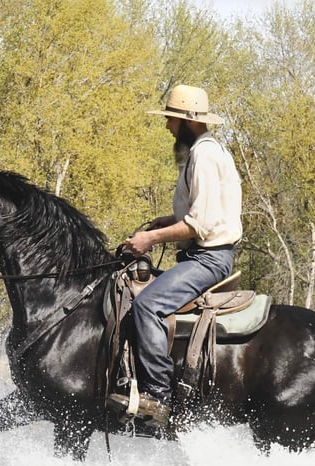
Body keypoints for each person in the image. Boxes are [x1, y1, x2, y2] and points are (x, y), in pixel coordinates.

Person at [114, 84, 243, 428]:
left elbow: (200, 224)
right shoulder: (207, 151)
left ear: (187, 122)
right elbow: (206, 213)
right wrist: (166, 222)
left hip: (208, 259)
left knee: (147, 306)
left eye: (171, 120)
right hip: (204, 255)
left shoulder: (203, 156)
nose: (167, 126)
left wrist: (149, 238)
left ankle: (158, 398)